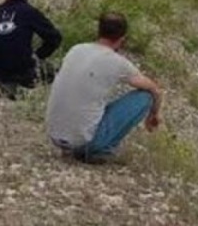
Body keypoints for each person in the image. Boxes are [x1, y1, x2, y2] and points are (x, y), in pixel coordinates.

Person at [46, 12, 163, 162]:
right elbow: (155, 89)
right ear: (122, 39)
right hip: (85, 142)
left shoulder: (76, 49)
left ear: (98, 31)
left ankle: (70, 146)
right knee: (145, 97)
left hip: (54, 135)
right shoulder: (117, 62)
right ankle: (100, 150)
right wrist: (155, 114)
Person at [0, 0, 62, 93]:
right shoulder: (29, 12)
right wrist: (39, 54)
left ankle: (6, 82)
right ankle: (20, 84)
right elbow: (55, 37)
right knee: (52, 71)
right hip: (21, 68)